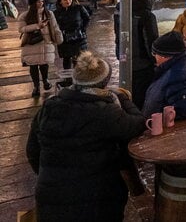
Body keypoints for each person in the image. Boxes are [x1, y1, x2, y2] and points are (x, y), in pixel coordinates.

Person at [26, 50, 146, 221]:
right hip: (97, 201)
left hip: (51, 198)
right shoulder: (106, 113)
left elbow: (32, 150)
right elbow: (138, 123)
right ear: (103, 83)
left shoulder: (49, 107)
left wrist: (52, 176)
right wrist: (122, 97)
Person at [142, 31, 186, 120]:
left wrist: (160, 123)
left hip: (161, 128)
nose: (154, 57)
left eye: (155, 53)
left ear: (165, 56)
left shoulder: (177, 77)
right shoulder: (182, 63)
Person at [20, 0, 63, 98]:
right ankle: (36, 86)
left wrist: (59, 38)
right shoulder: (25, 15)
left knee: (44, 63)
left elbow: (55, 26)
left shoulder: (49, 14)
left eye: (42, 1)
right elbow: (21, 29)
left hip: (46, 42)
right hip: (31, 43)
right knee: (33, 65)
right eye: (39, 1)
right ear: (33, 3)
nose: (41, 3)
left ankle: (45, 80)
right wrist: (37, 26)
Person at [52, 0, 91, 88]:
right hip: (65, 39)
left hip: (79, 38)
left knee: (78, 59)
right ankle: (68, 80)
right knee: (66, 59)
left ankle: (78, 79)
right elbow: (54, 25)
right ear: (60, 1)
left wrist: (82, 29)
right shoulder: (56, 13)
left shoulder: (78, 8)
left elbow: (87, 18)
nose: (67, 1)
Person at [130, 0, 159, 109]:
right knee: (144, 95)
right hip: (143, 62)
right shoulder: (147, 16)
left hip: (128, 60)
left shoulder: (124, 10)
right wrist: (155, 60)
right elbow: (151, 40)